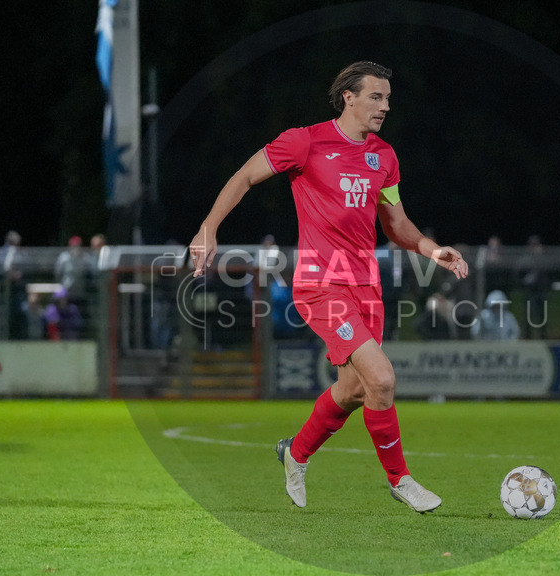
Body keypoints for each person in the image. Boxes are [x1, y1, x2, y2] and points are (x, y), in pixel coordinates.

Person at [188, 61, 468, 513]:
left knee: (356, 390)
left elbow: (395, 223)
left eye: (389, 98)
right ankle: (401, 481)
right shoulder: (305, 141)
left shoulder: (385, 156)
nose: (385, 106)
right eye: (376, 97)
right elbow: (243, 176)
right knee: (383, 378)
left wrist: (432, 250)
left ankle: (295, 453)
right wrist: (208, 227)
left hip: (366, 286)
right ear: (348, 97)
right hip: (321, 284)